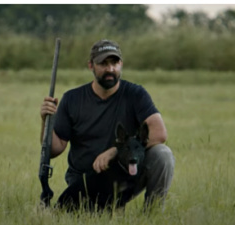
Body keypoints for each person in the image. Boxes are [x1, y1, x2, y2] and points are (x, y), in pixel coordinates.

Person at [39, 39, 175, 211]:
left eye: (114, 63)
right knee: (90, 219)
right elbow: (53, 150)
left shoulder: (136, 94)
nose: (110, 69)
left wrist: (116, 150)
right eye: (103, 63)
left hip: (124, 174)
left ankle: (153, 214)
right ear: (91, 65)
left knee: (163, 154)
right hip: (85, 180)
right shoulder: (72, 99)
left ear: (121, 64)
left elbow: (160, 134)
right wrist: (46, 121)